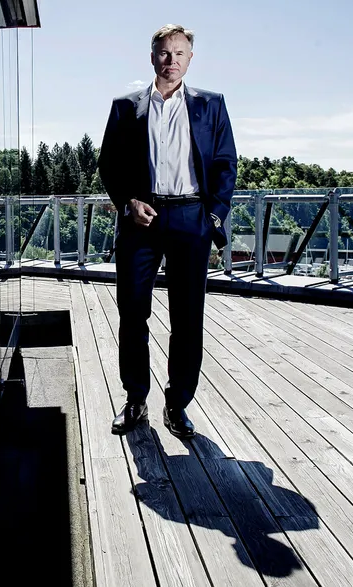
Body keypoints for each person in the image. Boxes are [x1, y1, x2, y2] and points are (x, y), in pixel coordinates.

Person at [98, 24, 237, 438]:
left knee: (187, 319)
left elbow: (226, 164)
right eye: (164, 52)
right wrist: (127, 202)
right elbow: (108, 163)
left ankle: (177, 405)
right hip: (141, 220)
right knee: (132, 313)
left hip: (192, 219)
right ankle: (135, 400)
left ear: (190, 58)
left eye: (179, 53)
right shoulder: (126, 107)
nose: (171, 60)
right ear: (152, 57)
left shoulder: (212, 104)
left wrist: (212, 219)